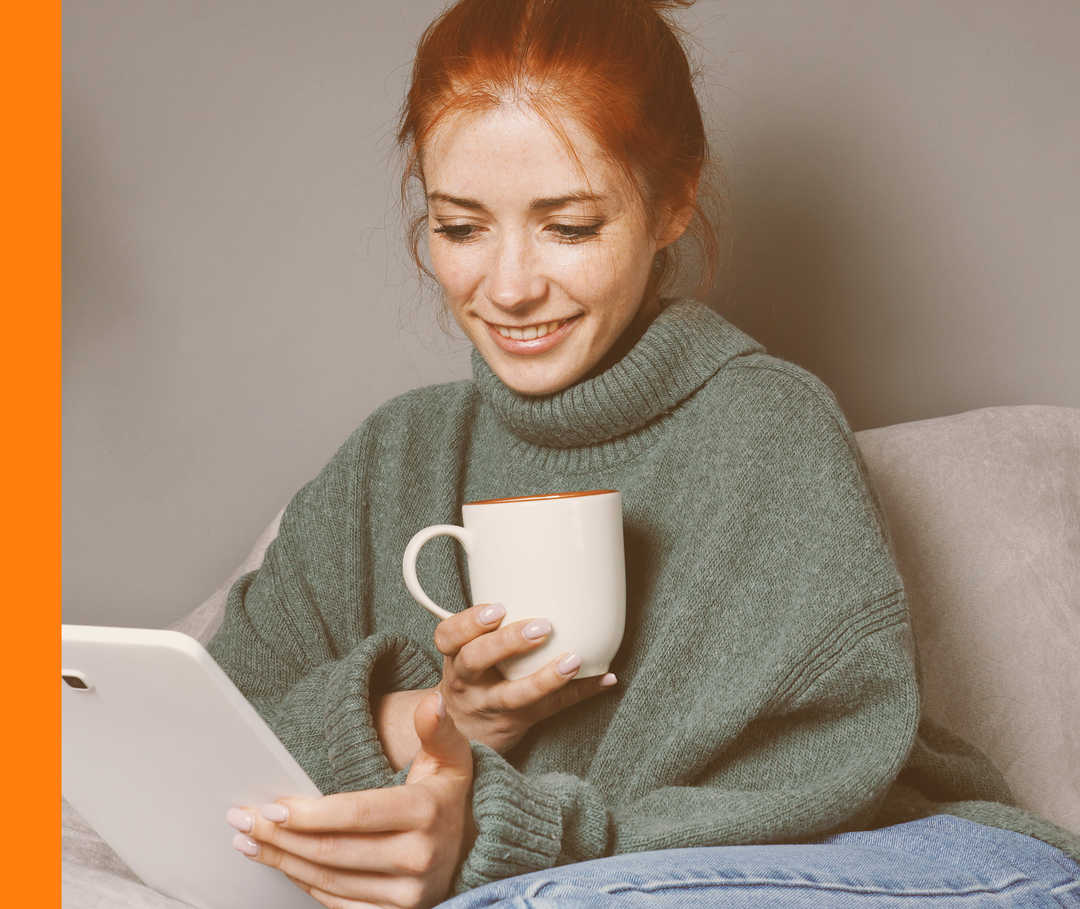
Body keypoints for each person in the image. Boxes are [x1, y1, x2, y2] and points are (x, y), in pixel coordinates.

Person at [205, 1, 1080, 907]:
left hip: (910, 863)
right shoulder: (394, 458)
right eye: (461, 226)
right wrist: (434, 718)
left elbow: (811, 776)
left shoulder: (763, 428)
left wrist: (487, 836)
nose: (508, 287)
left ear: (672, 203)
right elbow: (208, 734)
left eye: (570, 226)